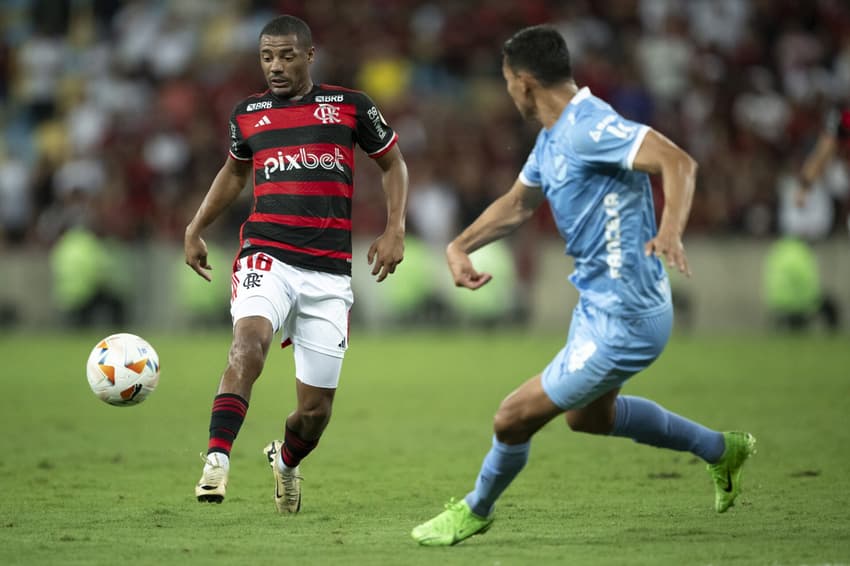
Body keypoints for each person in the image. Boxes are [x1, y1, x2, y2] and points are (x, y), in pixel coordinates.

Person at [411, 25, 755, 546]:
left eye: (507, 82)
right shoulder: (553, 140)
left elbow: (677, 162)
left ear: (525, 83)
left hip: (626, 317)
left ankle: (476, 509)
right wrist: (460, 245)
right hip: (601, 306)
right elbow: (519, 203)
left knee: (511, 418)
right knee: (588, 418)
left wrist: (669, 231)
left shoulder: (590, 127)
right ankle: (720, 450)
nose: (507, 93)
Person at [185, 15, 408, 513]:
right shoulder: (247, 114)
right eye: (267, 57)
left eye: (286, 55)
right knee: (248, 347)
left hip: (328, 273)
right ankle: (216, 460)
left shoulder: (350, 106)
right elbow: (234, 172)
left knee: (314, 413)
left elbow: (393, 163)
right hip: (267, 255)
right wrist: (195, 226)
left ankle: (284, 461)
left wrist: (395, 228)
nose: (276, 66)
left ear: (309, 56)